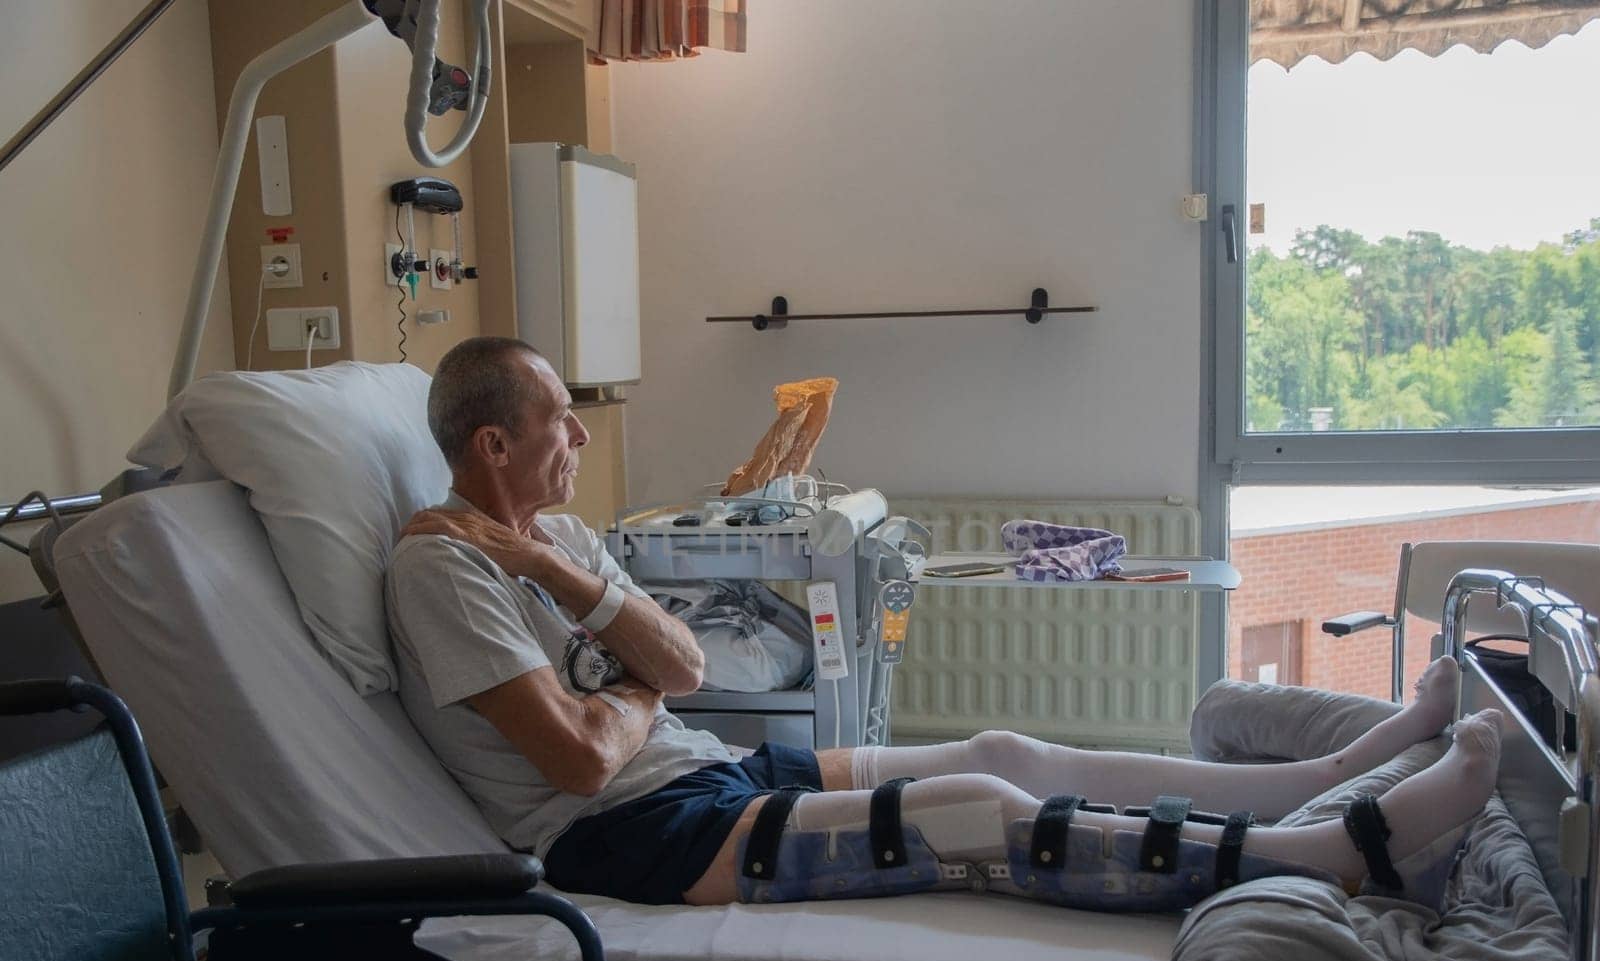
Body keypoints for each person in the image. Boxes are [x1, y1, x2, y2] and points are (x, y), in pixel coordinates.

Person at [386, 336, 1502, 911]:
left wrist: (597, 633)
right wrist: (631, 688)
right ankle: (1333, 852)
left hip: (698, 773)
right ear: (495, 445)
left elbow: (676, 666)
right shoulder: (443, 572)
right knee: (978, 809)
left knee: (999, 749)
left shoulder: (554, 543)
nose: (579, 444)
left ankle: (1341, 763)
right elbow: (582, 762)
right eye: (562, 426)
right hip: (629, 837)